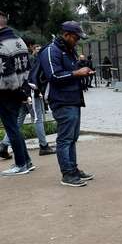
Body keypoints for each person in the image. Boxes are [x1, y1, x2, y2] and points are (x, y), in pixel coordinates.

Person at [41, 21, 96, 187]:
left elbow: (70, 71)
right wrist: (76, 73)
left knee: (72, 137)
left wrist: (82, 69)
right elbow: (54, 76)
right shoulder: (51, 51)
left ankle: (73, 169)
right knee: (65, 139)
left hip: (73, 98)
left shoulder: (68, 50)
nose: (77, 41)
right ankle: (67, 174)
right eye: (75, 37)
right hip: (61, 100)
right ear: (66, 35)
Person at [0, 43, 56, 158]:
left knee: (20, 119)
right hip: (31, 90)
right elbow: (34, 76)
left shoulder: (22, 56)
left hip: (22, 90)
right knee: (37, 118)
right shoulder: (36, 59)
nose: (38, 49)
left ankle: (4, 144)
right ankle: (44, 146)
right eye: (37, 47)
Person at [0, 11, 36, 175]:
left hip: (7, 92)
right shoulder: (18, 40)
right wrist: (24, 91)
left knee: (11, 127)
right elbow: (28, 67)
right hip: (20, 88)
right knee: (14, 127)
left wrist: (17, 92)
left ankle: (21, 163)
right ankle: (26, 161)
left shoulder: (2, 43)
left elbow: (5, 74)